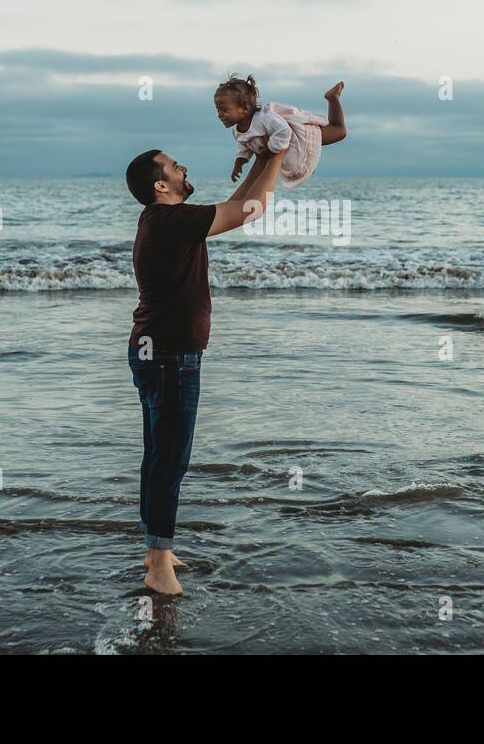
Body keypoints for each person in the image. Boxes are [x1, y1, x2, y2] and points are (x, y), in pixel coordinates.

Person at [124, 145, 288, 595]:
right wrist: (279, 151)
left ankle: (156, 548)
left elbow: (237, 204)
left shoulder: (163, 220)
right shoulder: (172, 220)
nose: (183, 167)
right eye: (174, 166)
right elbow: (251, 210)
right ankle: (159, 565)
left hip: (155, 352)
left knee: (158, 455)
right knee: (170, 459)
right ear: (161, 185)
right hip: (169, 356)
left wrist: (263, 157)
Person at [215, 75, 347, 188]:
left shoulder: (264, 119)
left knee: (339, 131)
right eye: (218, 110)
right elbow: (244, 143)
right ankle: (307, 162)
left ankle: (332, 98)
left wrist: (270, 148)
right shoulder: (237, 131)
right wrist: (240, 160)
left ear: (245, 108)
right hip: (289, 148)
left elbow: (284, 131)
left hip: (301, 137)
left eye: (224, 110)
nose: (220, 114)